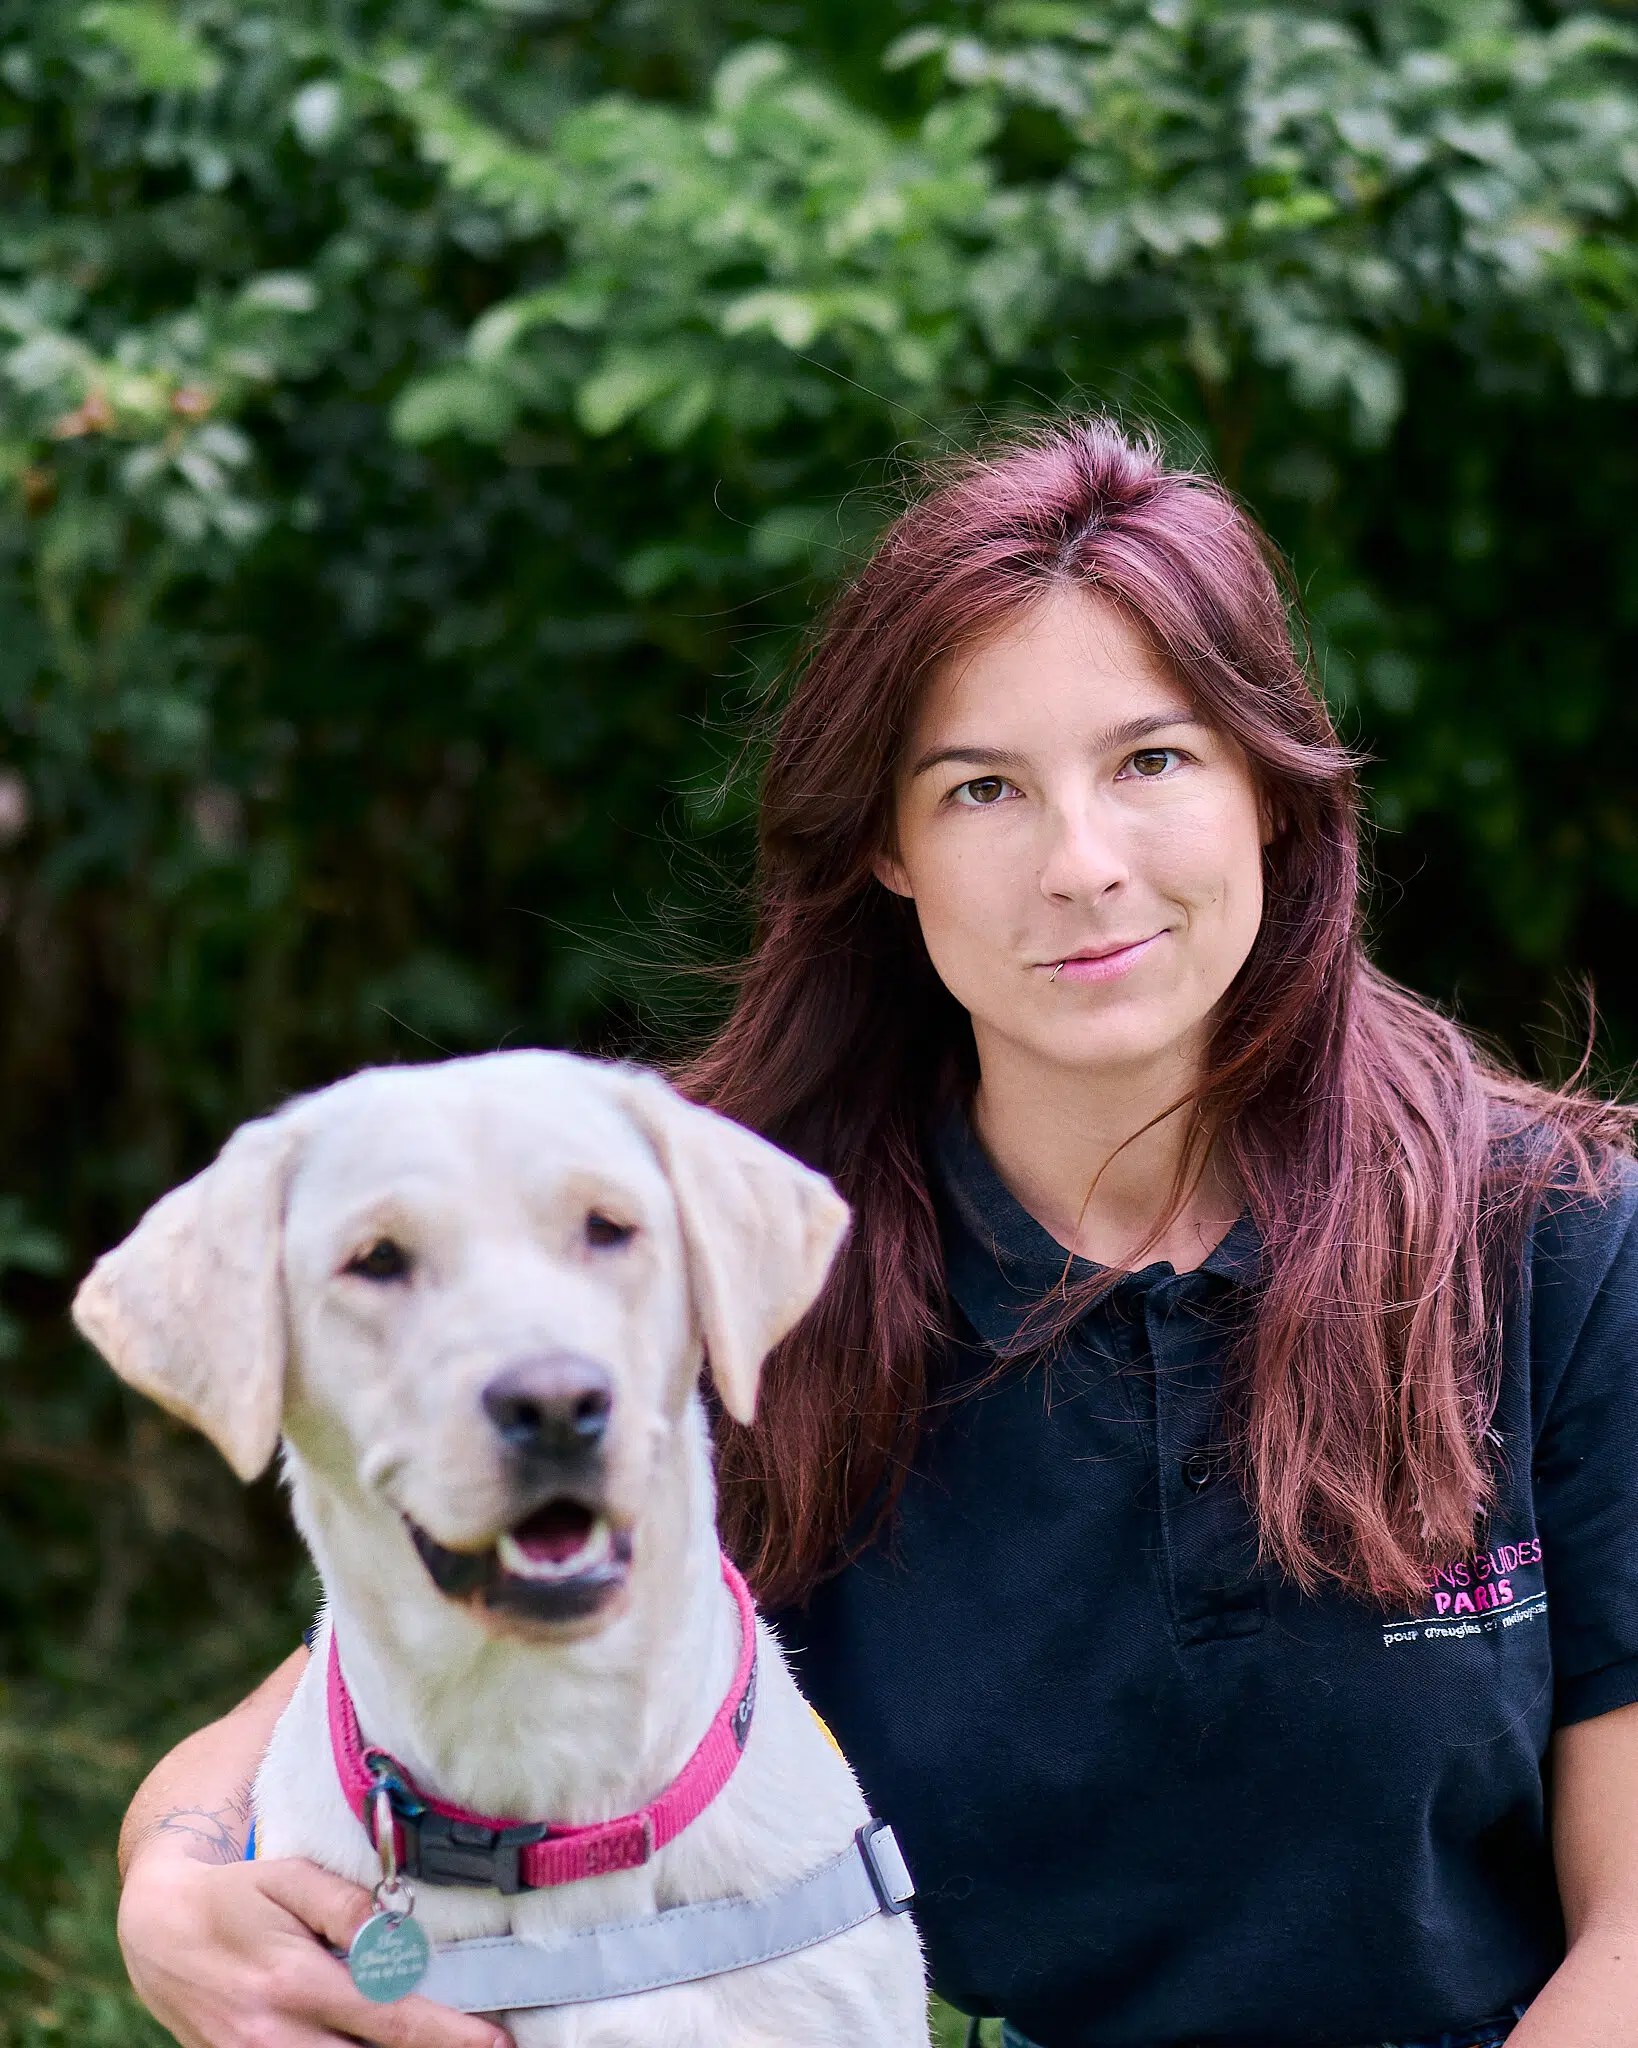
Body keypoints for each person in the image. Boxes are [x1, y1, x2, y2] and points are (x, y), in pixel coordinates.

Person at [111, 419, 1638, 2048]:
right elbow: (385, 1638)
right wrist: (169, 1876)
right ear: (887, 849)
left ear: (1268, 786)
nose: (1082, 865)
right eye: (982, 788)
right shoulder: (743, 1246)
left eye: (1153, 759)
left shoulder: (1542, 1234)